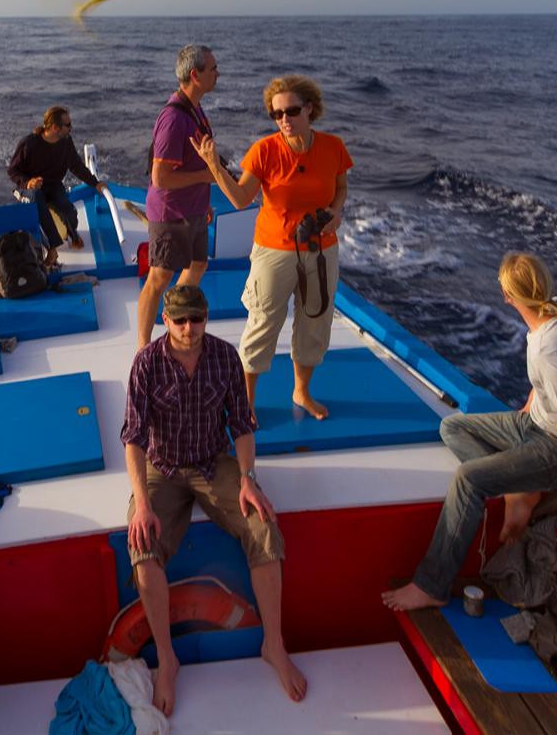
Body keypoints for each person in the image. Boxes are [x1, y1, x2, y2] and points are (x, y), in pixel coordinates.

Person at [381, 253, 557, 612]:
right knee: (453, 427)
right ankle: (518, 491)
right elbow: (552, 379)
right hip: (536, 423)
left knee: (469, 479)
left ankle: (432, 585)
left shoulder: (553, 353)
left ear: (508, 296)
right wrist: (529, 406)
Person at [121, 285, 307, 716]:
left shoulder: (225, 358)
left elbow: (241, 425)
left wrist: (247, 479)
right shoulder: (146, 364)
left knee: (262, 526)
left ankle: (273, 646)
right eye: (180, 321)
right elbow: (132, 438)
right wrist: (142, 502)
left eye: (196, 320)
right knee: (143, 546)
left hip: (212, 462)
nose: (189, 329)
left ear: (207, 318)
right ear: (165, 321)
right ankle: (168, 659)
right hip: (161, 467)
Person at [192, 75, 350, 419]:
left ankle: (301, 392)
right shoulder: (264, 151)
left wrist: (336, 213)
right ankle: (246, 402)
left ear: (309, 109)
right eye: (276, 115)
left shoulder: (333, 147)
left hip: (321, 248)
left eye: (291, 111)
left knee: (315, 322)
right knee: (263, 323)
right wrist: (214, 165)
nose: (284, 120)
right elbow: (239, 198)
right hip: (275, 249)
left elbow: (340, 187)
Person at [136, 44, 220, 348]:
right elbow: (161, 178)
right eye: (212, 69)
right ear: (195, 75)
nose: (218, 73)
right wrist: (205, 177)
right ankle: (143, 347)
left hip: (195, 208)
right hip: (172, 213)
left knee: (198, 265)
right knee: (158, 279)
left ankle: (172, 317)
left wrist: (204, 198)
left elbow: (194, 159)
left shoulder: (194, 108)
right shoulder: (174, 119)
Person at [7, 106, 106, 269]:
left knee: (69, 213)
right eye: (68, 125)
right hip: (27, 189)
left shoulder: (66, 142)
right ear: (55, 128)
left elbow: (76, 166)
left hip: (52, 186)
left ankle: (72, 235)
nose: (71, 128)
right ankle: (52, 248)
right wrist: (28, 182)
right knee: (36, 196)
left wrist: (96, 183)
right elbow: (12, 170)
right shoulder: (29, 143)